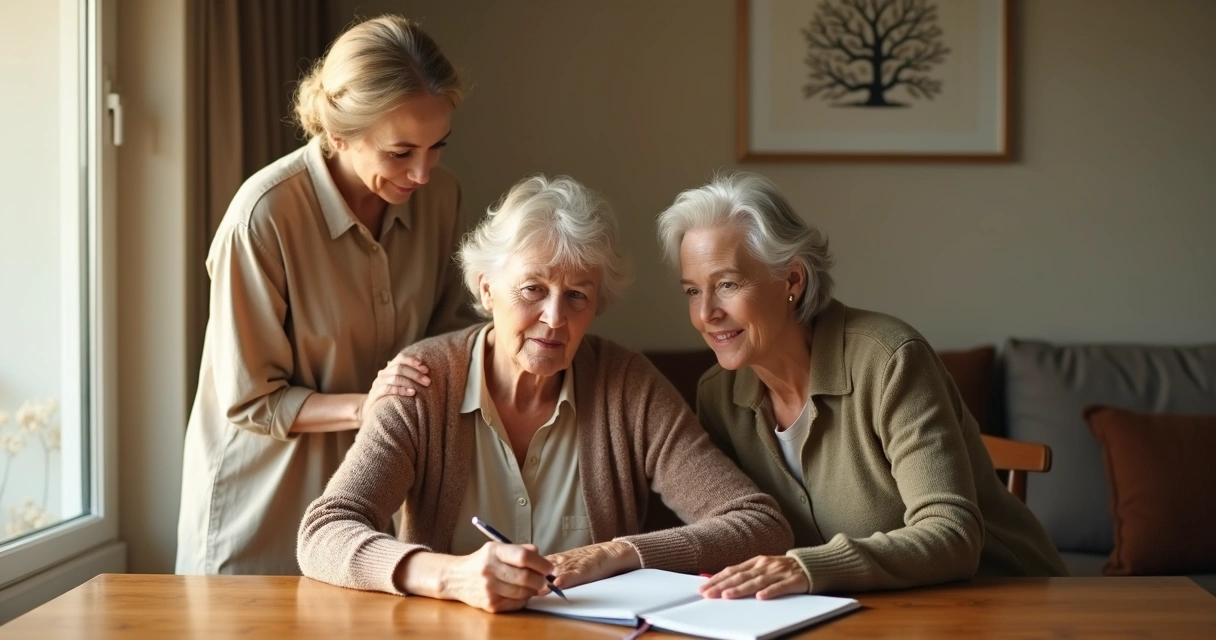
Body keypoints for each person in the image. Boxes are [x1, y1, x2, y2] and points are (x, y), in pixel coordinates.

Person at [297, 175, 793, 612]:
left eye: (578, 295)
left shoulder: (627, 386)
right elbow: (323, 531)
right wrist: (451, 577)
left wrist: (616, 552)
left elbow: (759, 523)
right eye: (532, 289)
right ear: (487, 288)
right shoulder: (424, 381)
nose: (555, 318)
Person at [654, 172, 1067, 598]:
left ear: (792, 280)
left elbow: (953, 536)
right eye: (691, 291)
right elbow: (736, 529)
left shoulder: (889, 360)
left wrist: (805, 568)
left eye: (726, 284)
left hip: (1005, 601)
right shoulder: (717, 395)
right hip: (859, 613)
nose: (706, 314)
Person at [177, 15, 479, 575]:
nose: (421, 172)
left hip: (372, 518)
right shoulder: (263, 216)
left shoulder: (442, 199)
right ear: (338, 134)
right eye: (399, 152)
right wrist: (371, 405)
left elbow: (446, 335)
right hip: (261, 515)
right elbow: (250, 399)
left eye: (437, 145)